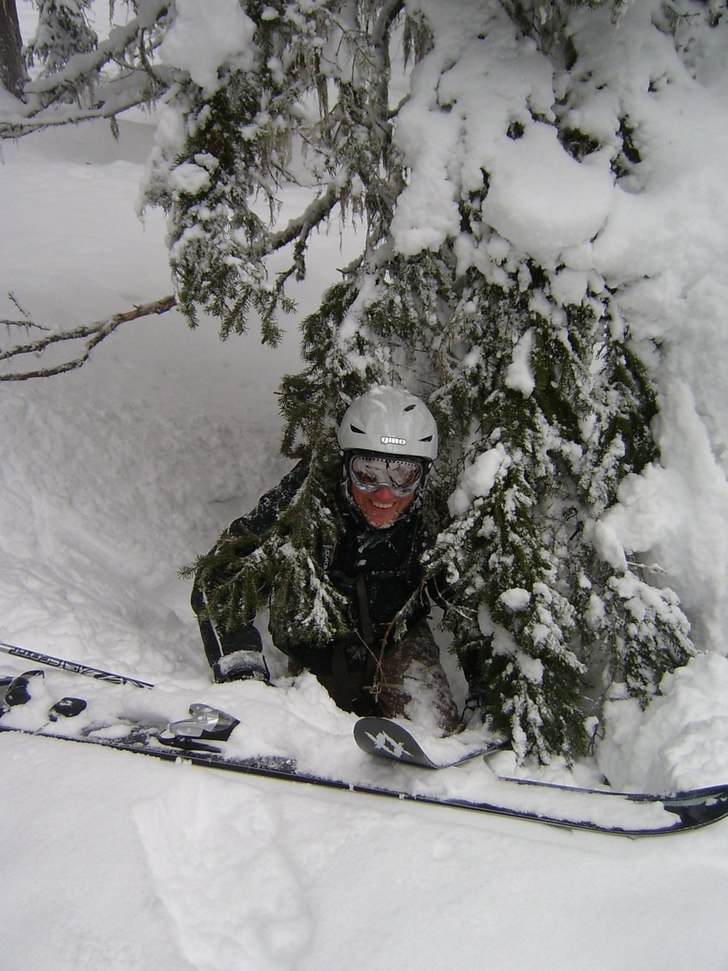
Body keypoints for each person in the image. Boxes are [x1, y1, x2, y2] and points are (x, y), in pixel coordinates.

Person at [191, 386, 460, 733]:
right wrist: (243, 671)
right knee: (315, 734)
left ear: (422, 476)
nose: (384, 493)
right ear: (347, 465)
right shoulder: (306, 501)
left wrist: (486, 691)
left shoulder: (432, 519)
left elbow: (473, 604)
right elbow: (221, 576)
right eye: (369, 471)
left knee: (434, 730)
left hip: (400, 643)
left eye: (402, 476)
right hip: (317, 654)